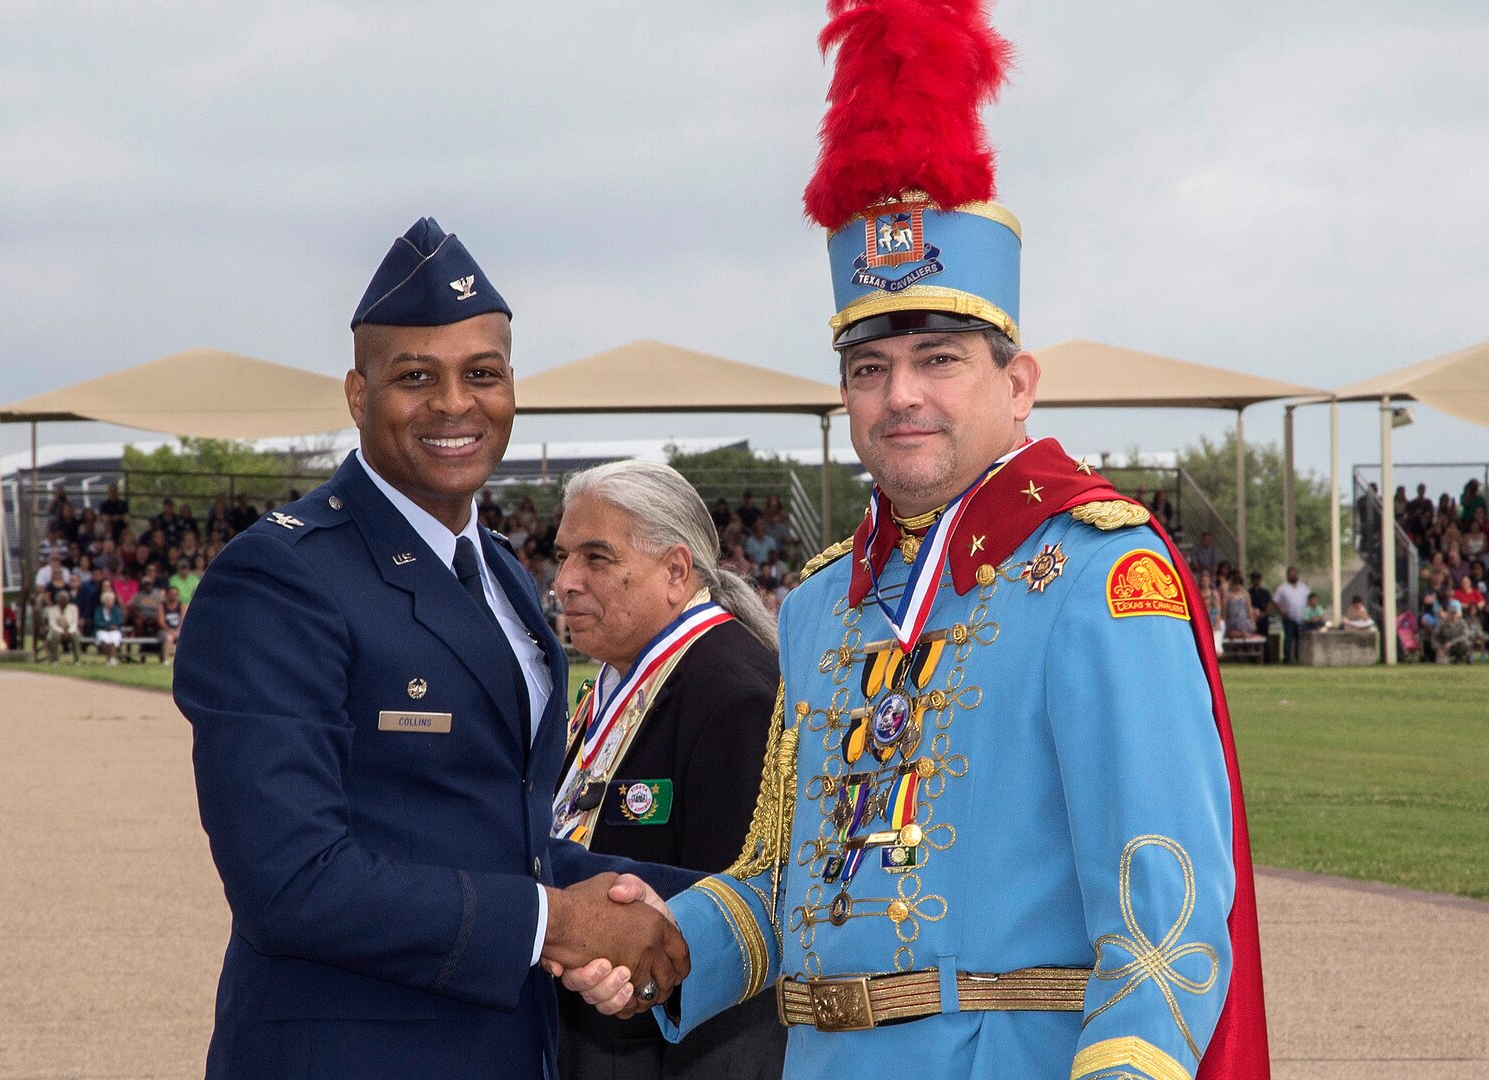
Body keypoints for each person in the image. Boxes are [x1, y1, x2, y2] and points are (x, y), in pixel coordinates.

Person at [564, 7, 1267, 1076]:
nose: (900, 396)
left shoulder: (1097, 572)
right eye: (866, 369)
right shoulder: (814, 606)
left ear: (1015, 382)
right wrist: (658, 945)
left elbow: (1161, 915)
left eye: (938, 359)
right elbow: (777, 883)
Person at [171, 218, 694, 1080]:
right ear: (356, 394)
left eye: (481, 374)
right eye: (415, 377)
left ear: (511, 386)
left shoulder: (502, 578)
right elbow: (290, 880)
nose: (454, 404)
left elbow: (502, 839)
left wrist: (709, 904)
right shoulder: (279, 577)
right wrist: (561, 923)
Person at [550, 461, 787, 1080]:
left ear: (677, 572)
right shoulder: (620, 680)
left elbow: (739, 933)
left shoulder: (733, 694)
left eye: (595, 558)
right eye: (564, 556)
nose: (565, 582)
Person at [1272, 566, 1311, 663]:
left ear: (1297, 575)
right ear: (1287, 576)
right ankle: (1287, 660)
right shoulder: (1282, 588)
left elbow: (1310, 600)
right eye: (1290, 574)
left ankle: (1299, 659)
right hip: (1289, 618)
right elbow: (1275, 601)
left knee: (1300, 640)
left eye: (1294, 574)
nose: (1292, 576)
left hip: (1302, 619)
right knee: (1288, 639)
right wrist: (1281, 612)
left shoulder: (1304, 588)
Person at [42, 589, 82, 664]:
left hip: (70, 629)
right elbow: (52, 624)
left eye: (65, 600)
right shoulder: (52, 610)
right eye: (62, 600)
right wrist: (62, 631)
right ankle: (55, 660)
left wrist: (68, 632)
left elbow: (74, 623)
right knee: (55, 636)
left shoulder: (73, 608)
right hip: (57, 630)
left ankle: (77, 660)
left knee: (75, 636)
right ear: (58, 601)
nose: (64, 602)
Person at [93, 589, 124, 665]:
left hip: (114, 630)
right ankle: (108, 659)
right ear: (104, 601)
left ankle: (110, 659)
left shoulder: (116, 610)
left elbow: (119, 621)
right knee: (104, 640)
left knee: (114, 639)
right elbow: (97, 621)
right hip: (102, 629)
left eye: (111, 600)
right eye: (108, 600)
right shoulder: (98, 610)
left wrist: (112, 626)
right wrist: (107, 626)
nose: (110, 602)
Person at [157, 586, 185, 666]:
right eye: (171, 594)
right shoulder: (162, 606)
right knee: (169, 638)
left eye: (175, 594)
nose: (173, 596)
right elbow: (161, 622)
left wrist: (178, 631)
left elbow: (182, 620)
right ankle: (166, 659)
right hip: (164, 630)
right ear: (167, 595)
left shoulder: (181, 605)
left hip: (178, 630)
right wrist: (170, 631)